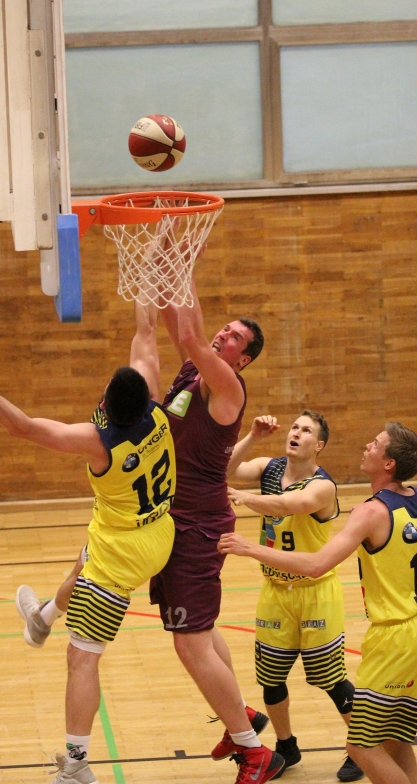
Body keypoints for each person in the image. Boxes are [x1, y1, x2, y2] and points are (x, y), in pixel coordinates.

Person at [0, 299, 176, 784]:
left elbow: (21, 427)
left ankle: (76, 766)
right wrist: (147, 272)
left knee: (81, 658)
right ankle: (41, 618)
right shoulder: (158, 410)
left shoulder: (98, 443)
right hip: (157, 532)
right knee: (83, 560)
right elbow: (146, 335)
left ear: (105, 404)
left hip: (122, 555)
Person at [219, 421, 417, 784]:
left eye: (375, 444)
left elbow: (315, 563)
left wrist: (249, 547)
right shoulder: (413, 496)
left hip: (394, 637)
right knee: (394, 740)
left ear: (389, 463)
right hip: (404, 630)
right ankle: (286, 744)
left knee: (360, 746)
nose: (367, 446)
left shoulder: (367, 510)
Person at [149, 274, 285, 784]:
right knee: (200, 634)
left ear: (242, 360)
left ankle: (254, 752)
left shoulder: (229, 387)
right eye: (223, 329)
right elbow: (176, 323)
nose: (221, 336)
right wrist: (165, 264)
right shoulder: (194, 368)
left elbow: (188, 332)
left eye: (233, 338)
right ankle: (240, 716)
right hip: (174, 518)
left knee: (188, 643)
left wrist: (183, 265)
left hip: (199, 526)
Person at [226, 411, 363, 782]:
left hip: (315, 592)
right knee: (271, 678)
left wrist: (244, 497)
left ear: (318, 445)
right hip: (275, 590)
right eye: (295, 427)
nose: (297, 433)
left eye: (307, 430)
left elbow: (290, 505)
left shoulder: (323, 487)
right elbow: (225, 468)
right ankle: (287, 747)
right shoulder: (269, 467)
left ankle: (362, 747)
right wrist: (252, 437)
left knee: (330, 679)